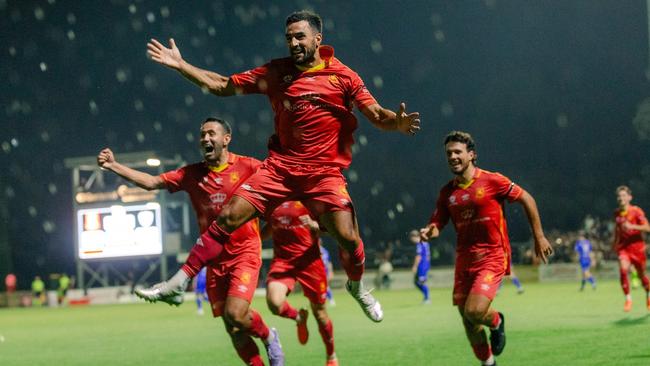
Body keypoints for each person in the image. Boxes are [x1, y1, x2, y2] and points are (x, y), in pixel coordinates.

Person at [141, 9, 421, 323]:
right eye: (289, 37)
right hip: (282, 168)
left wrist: (396, 124)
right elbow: (222, 85)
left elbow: (377, 114)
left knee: (348, 238)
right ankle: (178, 284)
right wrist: (181, 65)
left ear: (318, 38)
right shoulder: (277, 72)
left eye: (300, 36)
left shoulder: (344, 76)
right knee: (230, 216)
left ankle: (357, 287)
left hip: (324, 173)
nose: (293, 42)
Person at [97, 117, 284, 366]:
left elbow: (280, 191)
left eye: (211, 134)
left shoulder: (250, 167)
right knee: (233, 329)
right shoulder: (191, 174)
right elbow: (151, 182)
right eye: (202, 135)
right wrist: (114, 166)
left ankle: (269, 336)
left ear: (226, 139)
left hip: (244, 255)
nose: (205, 139)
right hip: (212, 260)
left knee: (235, 313)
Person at [420, 131, 553, 366]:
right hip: (464, 260)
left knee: (474, 311)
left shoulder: (493, 181)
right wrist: (431, 230)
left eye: (457, 152)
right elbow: (438, 222)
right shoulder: (447, 193)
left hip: (492, 256)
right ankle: (488, 363)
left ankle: (497, 322)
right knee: (467, 320)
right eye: (448, 153)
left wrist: (539, 237)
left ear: (471, 155)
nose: (452, 156)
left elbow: (527, 199)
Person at [262, 201, 338, 366]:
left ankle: (331, 356)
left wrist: (315, 225)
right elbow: (269, 227)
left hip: (310, 262)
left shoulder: (308, 198)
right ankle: (298, 318)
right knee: (274, 303)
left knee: (320, 313)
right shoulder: (272, 197)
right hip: (283, 262)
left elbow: (330, 226)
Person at [612, 185, 650, 312]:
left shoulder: (636, 211)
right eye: (619, 196)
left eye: (623, 195)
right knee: (623, 270)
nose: (620, 198)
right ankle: (628, 298)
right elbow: (617, 230)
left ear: (629, 197)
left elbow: (647, 228)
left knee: (642, 276)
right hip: (624, 248)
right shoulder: (616, 213)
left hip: (638, 249)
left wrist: (633, 226)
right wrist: (615, 244)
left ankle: (648, 294)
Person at [409, 229, 431, 304]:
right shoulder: (425, 242)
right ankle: (426, 297)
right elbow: (428, 255)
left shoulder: (419, 244)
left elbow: (418, 256)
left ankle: (427, 298)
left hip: (421, 265)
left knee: (421, 282)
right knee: (416, 281)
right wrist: (427, 264)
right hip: (425, 264)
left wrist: (415, 266)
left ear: (414, 237)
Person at [319, 240, 336, 306]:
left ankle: (330, 299)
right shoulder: (314, 251)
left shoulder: (325, 251)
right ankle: (323, 300)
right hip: (317, 272)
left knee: (324, 286)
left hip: (324, 271)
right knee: (322, 286)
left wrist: (331, 272)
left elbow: (329, 262)